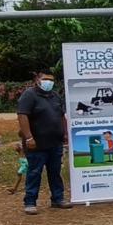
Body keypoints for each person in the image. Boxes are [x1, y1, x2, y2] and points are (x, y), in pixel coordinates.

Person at [17, 69, 72, 215]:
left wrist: (65, 133)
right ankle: (30, 202)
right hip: (36, 143)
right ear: (38, 80)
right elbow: (23, 116)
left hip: (55, 142)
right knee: (34, 172)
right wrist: (28, 137)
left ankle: (57, 198)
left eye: (51, 80)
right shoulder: (29, 95)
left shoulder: (55, 96)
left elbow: (62, 116)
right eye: (46, 79)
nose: (49, 82)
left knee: (55, 172)